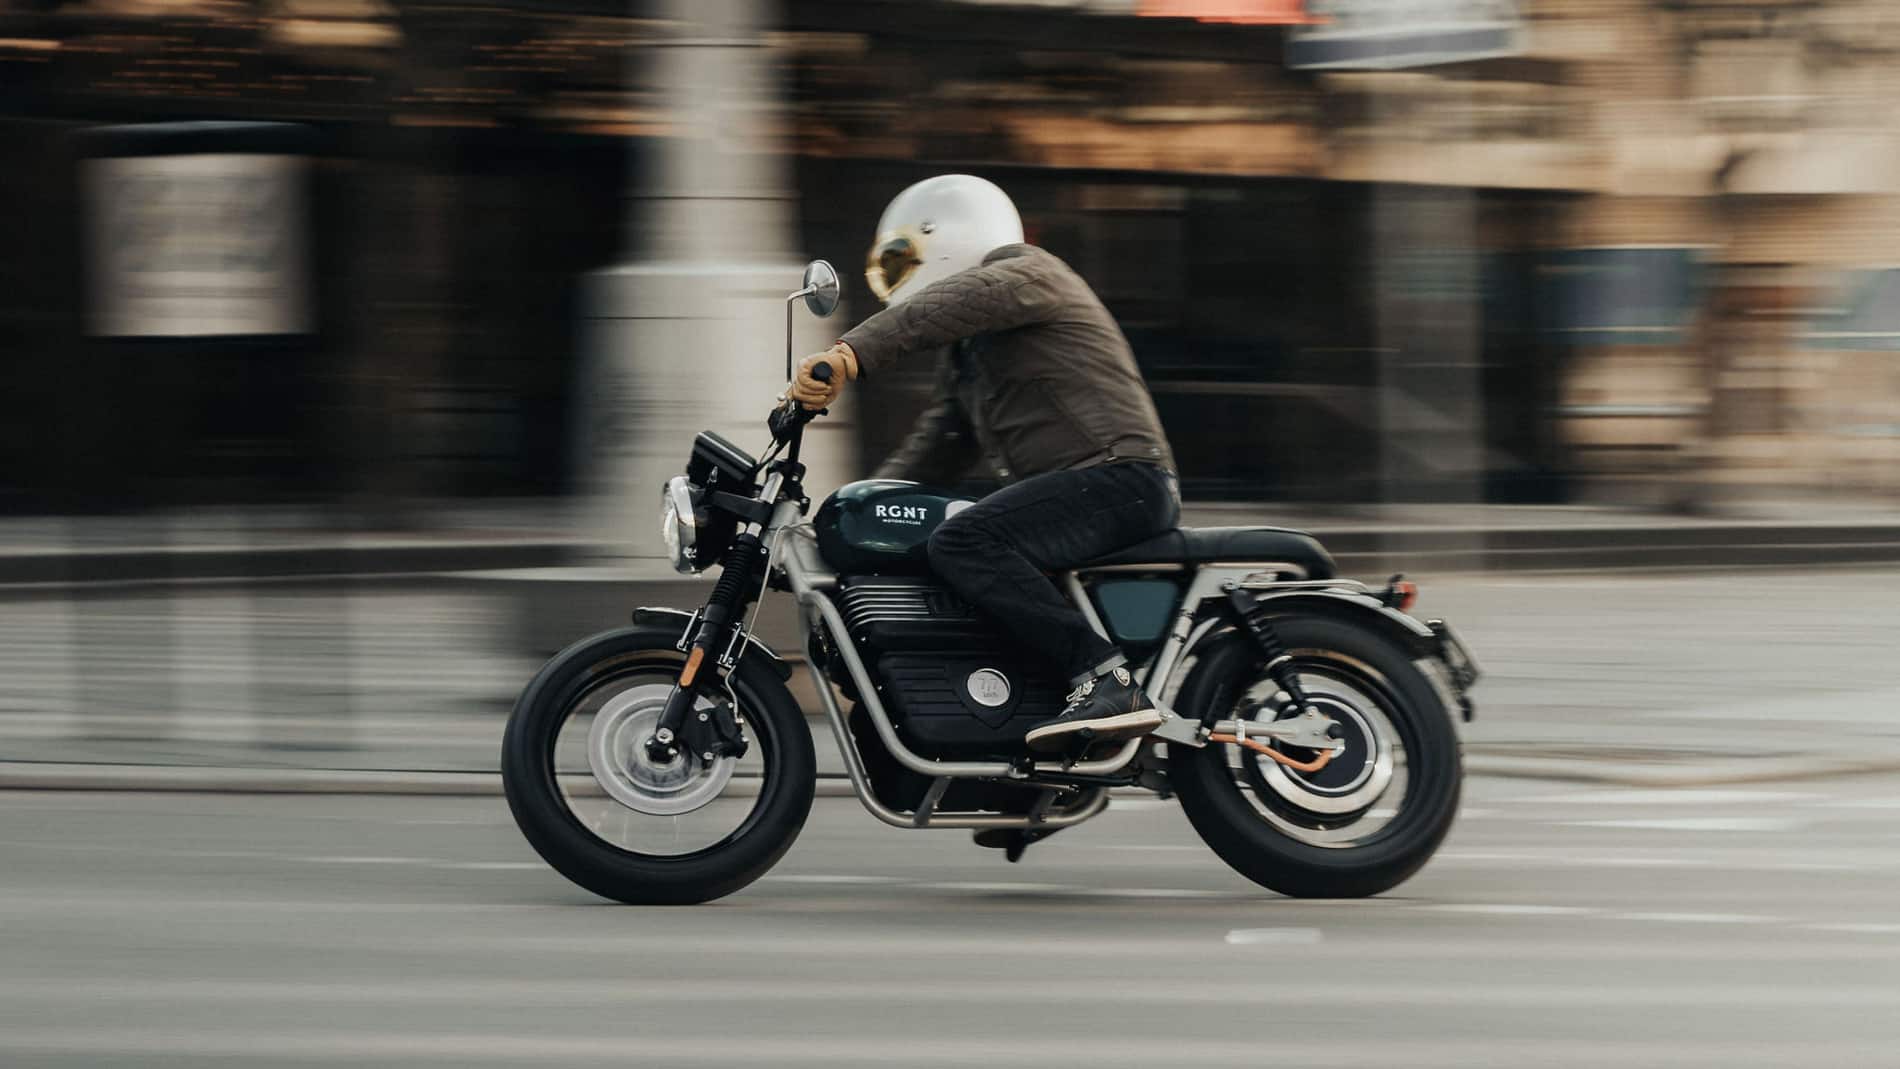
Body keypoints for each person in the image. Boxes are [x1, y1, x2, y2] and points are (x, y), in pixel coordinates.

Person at [788, 174, 1180, 755]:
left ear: (949, 235)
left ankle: (1106, 679)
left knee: (964, 541)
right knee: (938, 551)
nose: (901, 275)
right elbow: (937, 448)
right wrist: (860, 512)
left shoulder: (1030, 274)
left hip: (1120, 478)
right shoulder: (973, 356)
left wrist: (849, 354)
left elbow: (951, 305)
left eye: (905, 256)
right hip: (1078, 490)